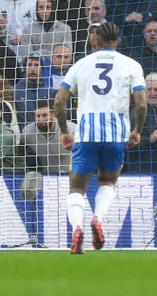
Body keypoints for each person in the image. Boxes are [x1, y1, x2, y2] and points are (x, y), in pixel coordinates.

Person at [54, 22, 147, 254]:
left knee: (76, 188)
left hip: (86, 135)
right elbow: (142, 104)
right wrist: (137, 130)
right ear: (118, 41)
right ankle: (97, 218)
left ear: (95, 39)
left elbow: (59, 101)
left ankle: (77, 228)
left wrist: (65, 131)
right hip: (116, 135)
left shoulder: (81, 64)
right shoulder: (131, 65)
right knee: (107, 182)